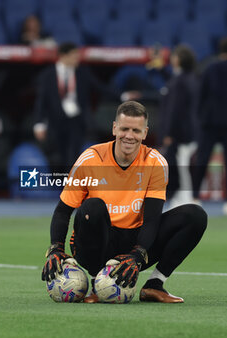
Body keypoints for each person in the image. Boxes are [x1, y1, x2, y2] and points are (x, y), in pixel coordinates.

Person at [41, 101, 207, 303]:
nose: (129, 135)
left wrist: (138, 255)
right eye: (124, 128)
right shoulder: (90, 159)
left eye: (136, 130)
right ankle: (97, 283)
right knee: (92, 207)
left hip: (134, 245)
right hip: (95, 242)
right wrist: (56, 248)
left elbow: (152, 219)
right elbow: (62, 211)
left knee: (195, 216)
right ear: (114, 128)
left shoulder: (155, 162)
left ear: (145, 133)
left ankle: (154, 285)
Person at [33, 42, 119, 168]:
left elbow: (100, 87)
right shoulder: (47, 75)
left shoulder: (82, 72)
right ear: (63, 56)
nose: (77, 59)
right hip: (56, 121)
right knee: (58, 157)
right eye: (74, 55)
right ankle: (61, 184)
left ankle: (72, 184)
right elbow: (41, 101)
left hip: (77, 121)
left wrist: (123, 95)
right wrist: (39, 123)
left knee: (73, 155)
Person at [158, 45, 198, 207]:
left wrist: (168, 133)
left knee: (182, 165)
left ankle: (186, 198)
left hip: (181, 132)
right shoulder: (187, 78)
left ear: (180, 59)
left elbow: (174, 110)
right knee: (182, 165)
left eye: (175, 56)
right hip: (186, 130)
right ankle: (183, 197)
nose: (172, 58)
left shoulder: (180, 81)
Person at [192, 37, 227, 215]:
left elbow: (201, 96)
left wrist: (200, 119)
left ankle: (195, 197)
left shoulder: (209, 68)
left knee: (202, 159)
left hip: (209, 123)